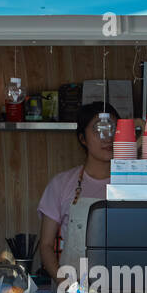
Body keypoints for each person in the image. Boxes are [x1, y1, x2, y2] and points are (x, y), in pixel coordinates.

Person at [38, 102, 118, 281]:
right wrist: (66, 286)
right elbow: (46, 245)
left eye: (113, 129)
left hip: (120, 288)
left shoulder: (130, 184)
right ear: (82, 138)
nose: (108, 137)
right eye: (99, 130)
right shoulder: (61, 184)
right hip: (72, 292)